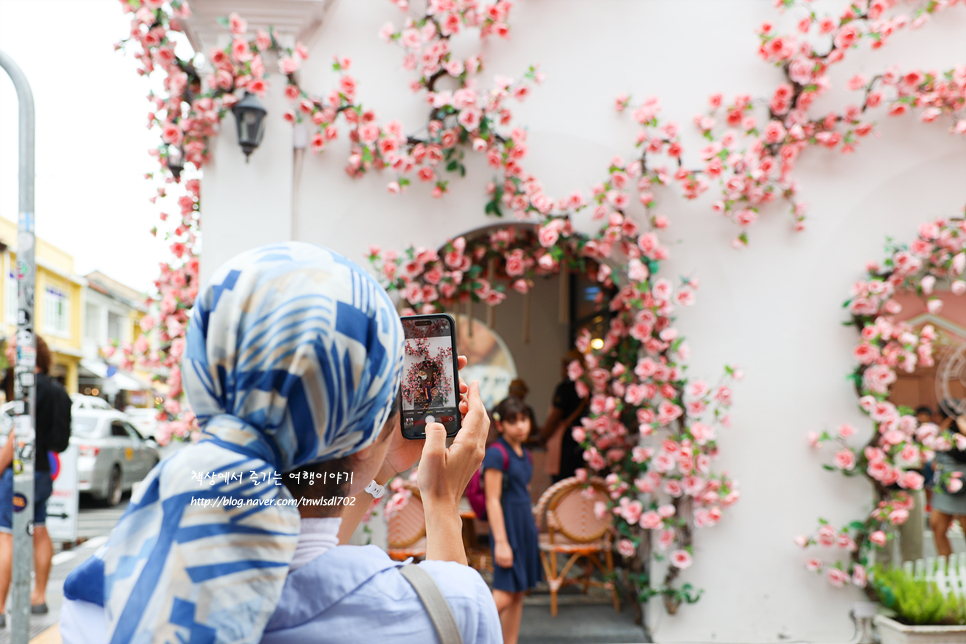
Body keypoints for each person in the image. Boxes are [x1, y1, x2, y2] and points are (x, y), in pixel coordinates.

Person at [59, 243, 498, 644]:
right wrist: (440, 499)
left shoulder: (99, 600)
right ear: (369, 431)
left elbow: (305, 547)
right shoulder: (442, 611)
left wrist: (378, 465)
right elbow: (314, 553)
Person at [0, 335, 71, 627]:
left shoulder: (28, 388)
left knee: (6, 535)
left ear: (31, 353)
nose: (7, 352)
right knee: (39, 529)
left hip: (19, 472)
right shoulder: (59, 390)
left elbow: (18, 434)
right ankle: (39, 596)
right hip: (43, 473)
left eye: (13, 347)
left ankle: (0, 608)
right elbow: (60, 441)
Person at [484, 397, 541, 644]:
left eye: (524, 419)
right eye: (513, 421)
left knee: (517, 594)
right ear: (500, 425)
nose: (520, 426)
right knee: (505, 594)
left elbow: (522, 491)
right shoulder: (497, 454)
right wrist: (501, 542)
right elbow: (492, 500)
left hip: (524, 528)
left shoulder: (524, 453)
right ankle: (457, 632)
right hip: (507, 531)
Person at [540, 351, 589, 482]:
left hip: (565, 442)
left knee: (562, 483)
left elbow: (556, 416)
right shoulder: (586, 388)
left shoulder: (565, 387)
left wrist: (543, 436)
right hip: (580, 441)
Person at [929, 403, 966, 557]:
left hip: (964, 486)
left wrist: (961, 424)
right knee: (936, 525)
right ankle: (946, 566)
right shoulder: (943, 433)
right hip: (945, 486)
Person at [507, 378, 538, 444]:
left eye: (523, 419)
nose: (520, 427)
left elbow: (533, 431)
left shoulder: (527, 410)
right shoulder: (504, 410)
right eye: (512, 422)